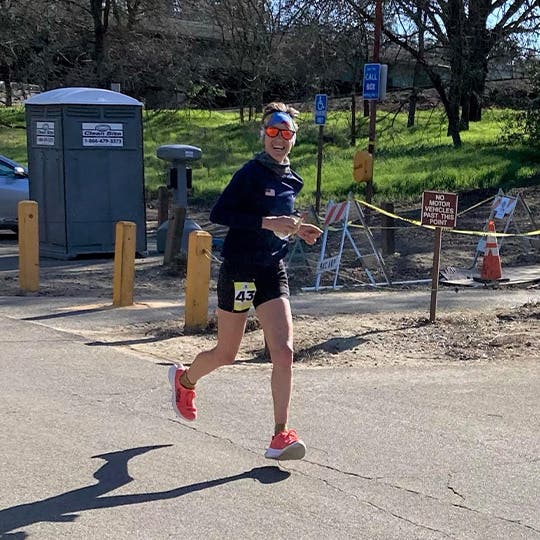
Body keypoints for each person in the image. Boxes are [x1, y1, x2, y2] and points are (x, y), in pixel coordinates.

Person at [168, 102, 322, 460]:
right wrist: (269, 223)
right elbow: (220, 213)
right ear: (263, 134)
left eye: (286, 133)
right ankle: (185, 380)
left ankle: (280, 434)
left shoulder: (293, 179)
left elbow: (281, 220)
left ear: (295, 139)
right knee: (227, 353)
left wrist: (299, 230)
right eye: (273, 131)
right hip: (239, 269)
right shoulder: (249, 173)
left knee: (283, 352)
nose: (279, 139)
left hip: (272, 269)